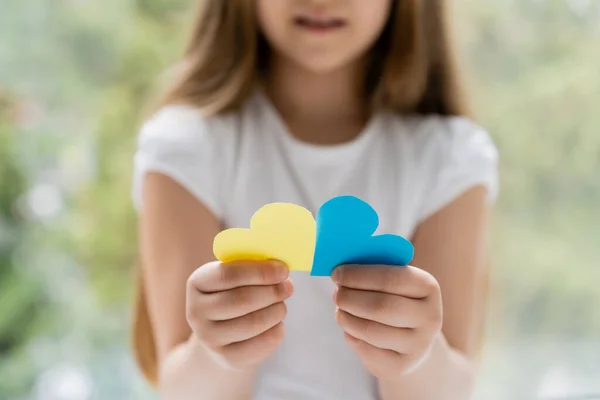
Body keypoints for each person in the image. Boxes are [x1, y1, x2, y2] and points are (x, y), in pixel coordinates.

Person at [131, 1, 498, 399]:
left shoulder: (450, 157)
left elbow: (453, 386)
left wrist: (418, 358)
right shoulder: (184, 148)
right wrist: (217, 352)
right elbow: (181, 387)